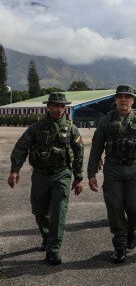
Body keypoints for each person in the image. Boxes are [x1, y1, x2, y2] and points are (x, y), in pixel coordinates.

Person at [7, 92, 84, 265]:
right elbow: (21, 147)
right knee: (40, 211)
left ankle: (53, 250)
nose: (59, 109)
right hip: (40, 176)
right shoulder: (36, 128)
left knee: (59, 212)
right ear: (48, 107)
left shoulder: (71, 129)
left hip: (62, 175)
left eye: (62, 106)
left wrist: (78, 177)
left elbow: (79, 153)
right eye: (55, 106)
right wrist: (14, 170)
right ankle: (47, 237)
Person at [87, 85, 136, 264]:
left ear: (133, 100)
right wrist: (91, 173)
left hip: (134, 168)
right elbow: (96, 148)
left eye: (127, 97)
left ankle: (131, 229)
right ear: (115, 100)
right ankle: (120, 246)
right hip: (113, 169)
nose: (123, 100)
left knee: (135, 207)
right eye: (120, 97)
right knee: (115, 207)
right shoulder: (106, 121)